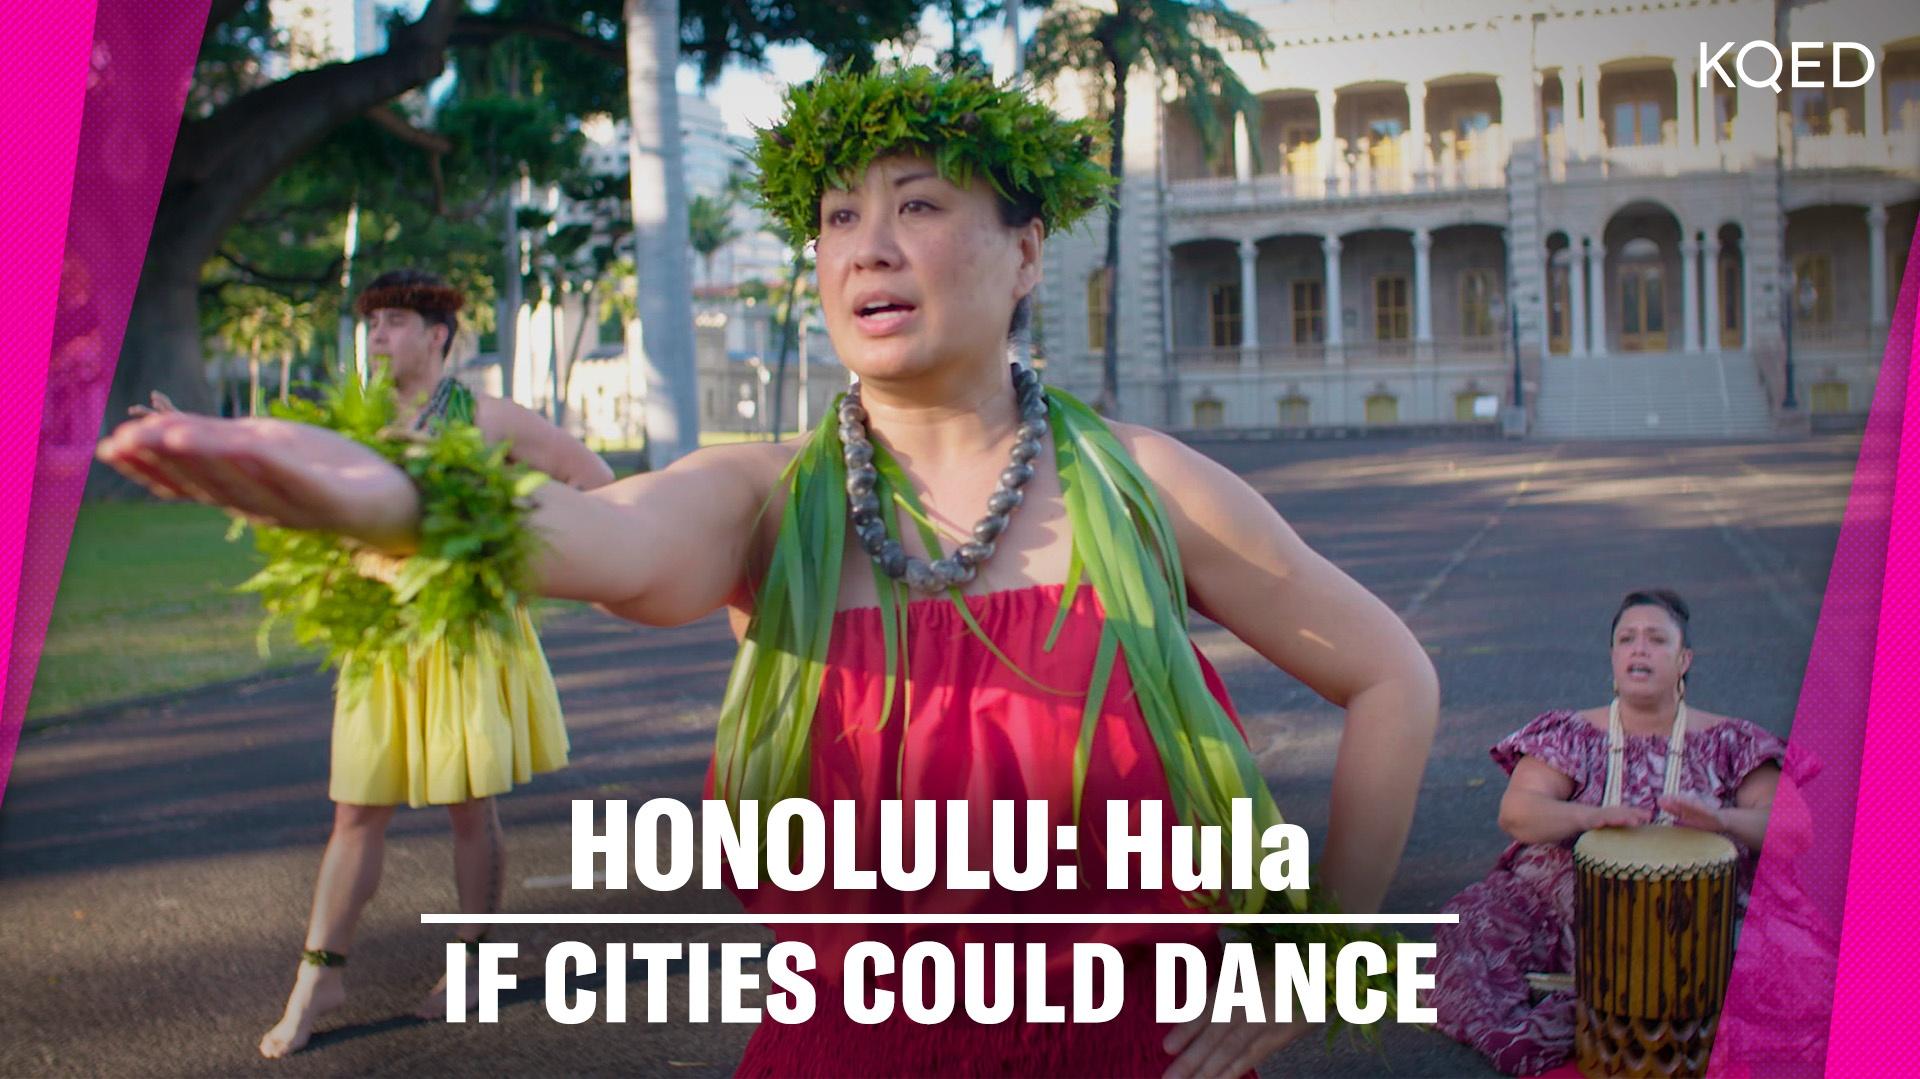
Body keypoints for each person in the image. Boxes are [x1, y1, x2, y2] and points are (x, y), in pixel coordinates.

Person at [98, 69, 1437, 1077]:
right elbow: (608, 539)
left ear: (1027, 251)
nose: (869, 244)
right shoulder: (766, 496)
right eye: (841, 215)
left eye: (919, 205)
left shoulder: (1148, 484)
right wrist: (396, 493)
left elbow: (1391, 676)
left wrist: (1316, 954)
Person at [193, 271, 615, 1058]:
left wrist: (513, 550)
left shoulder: (487, 418)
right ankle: (319, 976)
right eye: (374, 324)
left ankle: (472, 959)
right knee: (355, 810)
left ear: (437, 334)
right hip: (379, 636)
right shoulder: (355, 423)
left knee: (468, 804)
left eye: (393, 321)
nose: (379, 336)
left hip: (461, 632)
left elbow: (594, 480)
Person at [1428, 588, 1786, 1075]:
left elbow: (1793, 827)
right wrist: (1588, 817)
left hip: (1703, 918)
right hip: (1565, 910)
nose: (1640, 648)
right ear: (1614, 657)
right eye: (1627, 639)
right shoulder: (1572, 734)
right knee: (1469, 925)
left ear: (1683, 660)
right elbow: (1517, 813)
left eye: (1656, 639)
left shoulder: (1731, 740)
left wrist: (1723, 820)